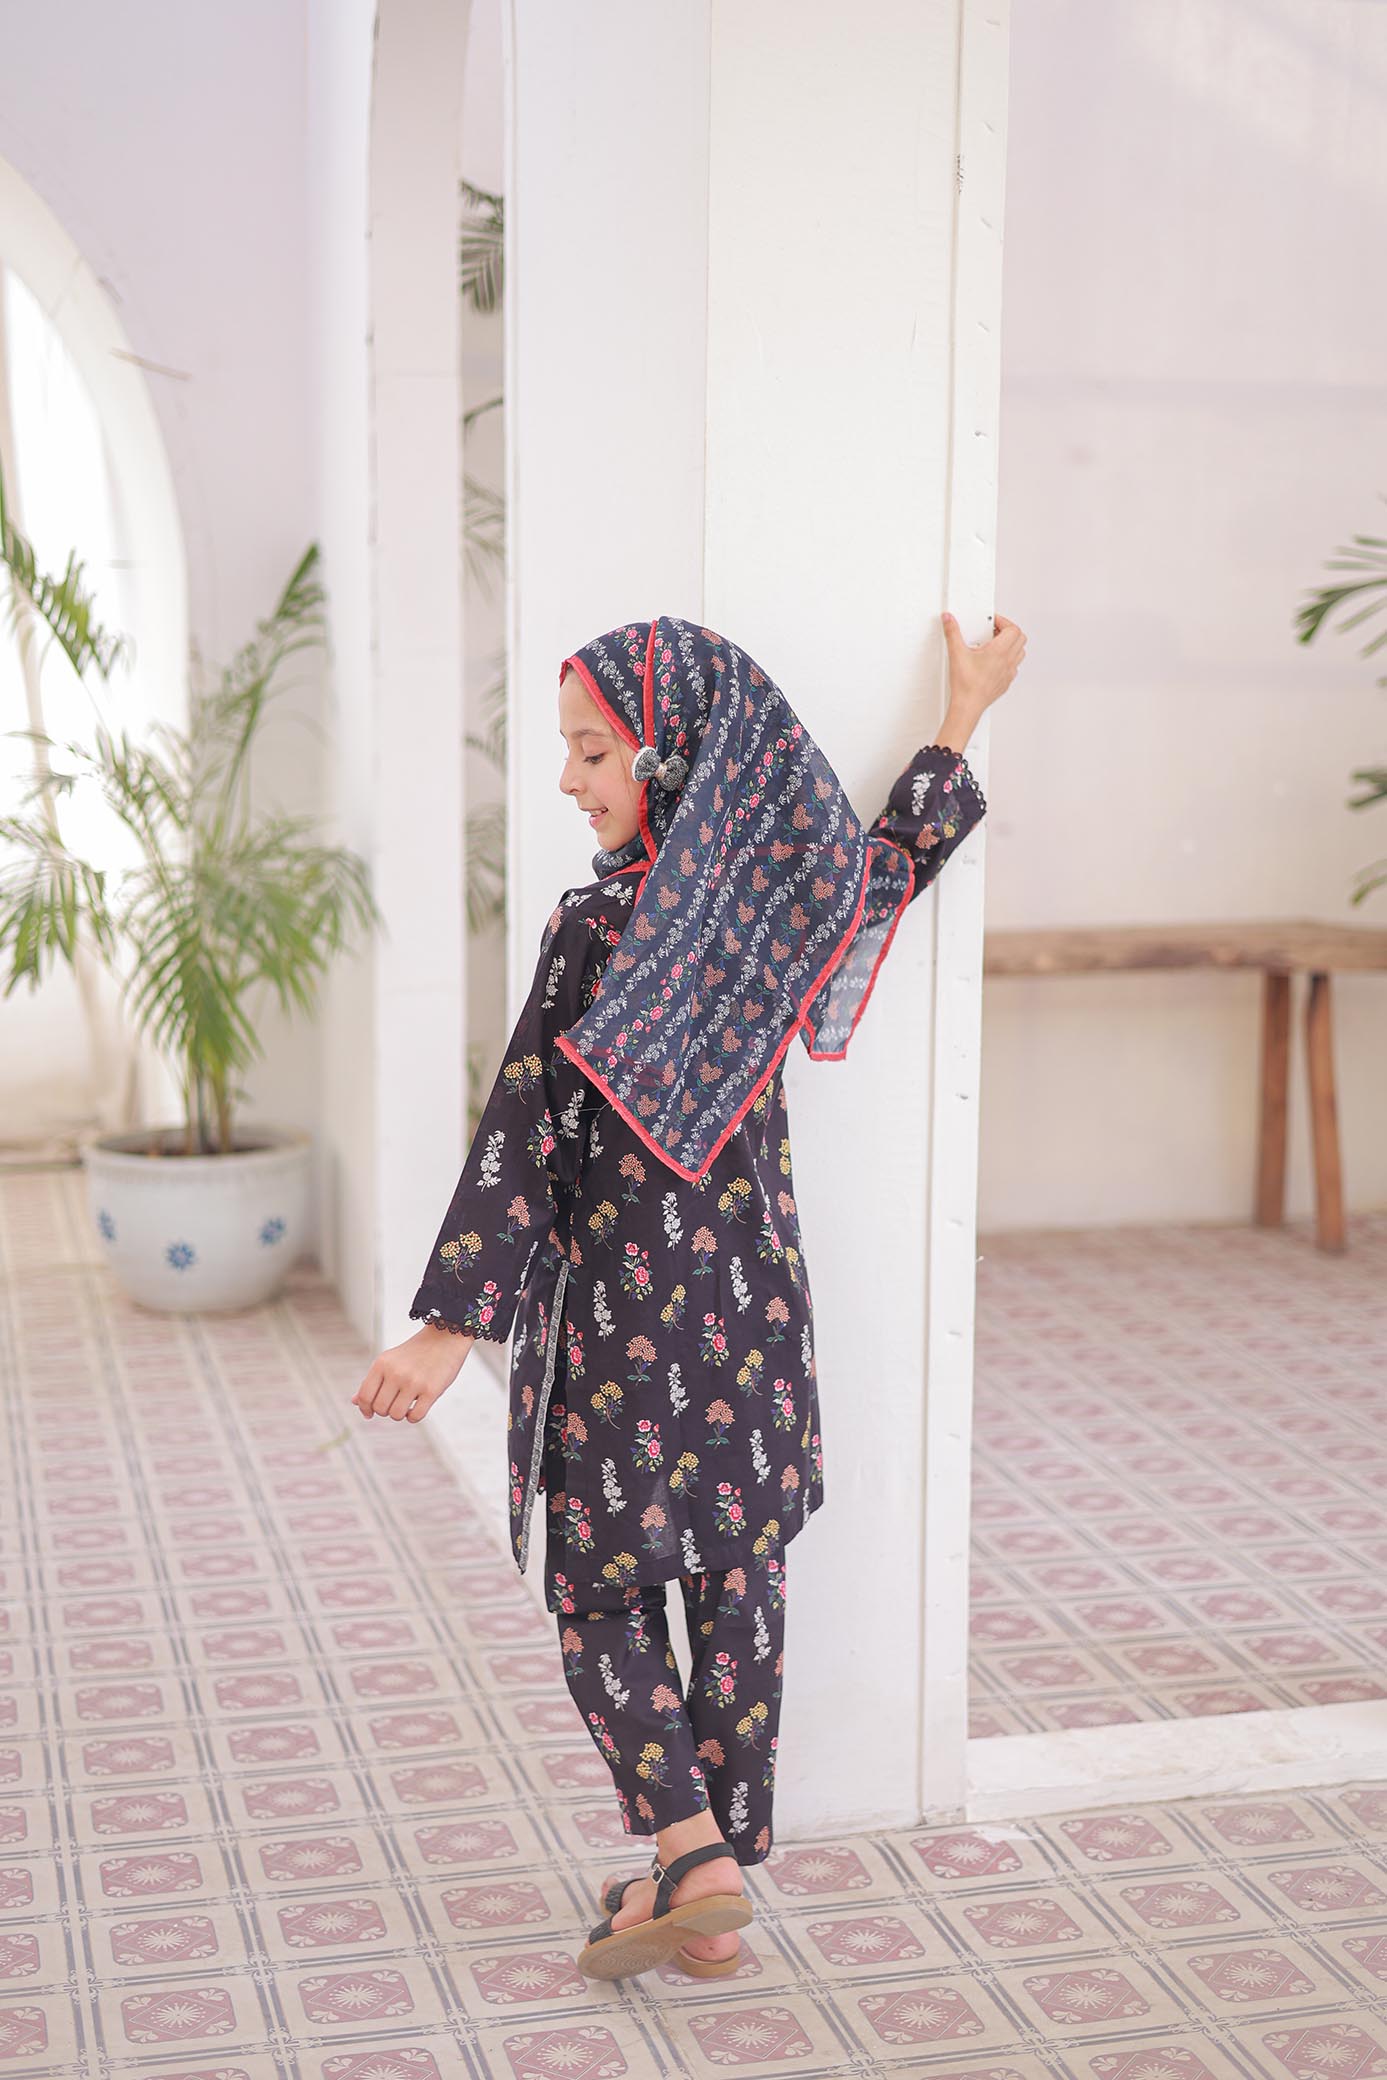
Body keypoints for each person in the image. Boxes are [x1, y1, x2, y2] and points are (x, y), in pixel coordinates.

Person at [353, 610, 1023, 1980]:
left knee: (598, 1590)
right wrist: (962, 717)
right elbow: (890, 869)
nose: (570, 781)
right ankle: (701, 1890)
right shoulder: (775, 910)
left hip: (620, 1321)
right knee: (735, 1580)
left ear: (669, 753)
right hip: (756, 1304)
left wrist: (447, 1325)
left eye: (593, 751)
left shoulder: (600, 923)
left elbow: (529, 1123)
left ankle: (687, 1851)